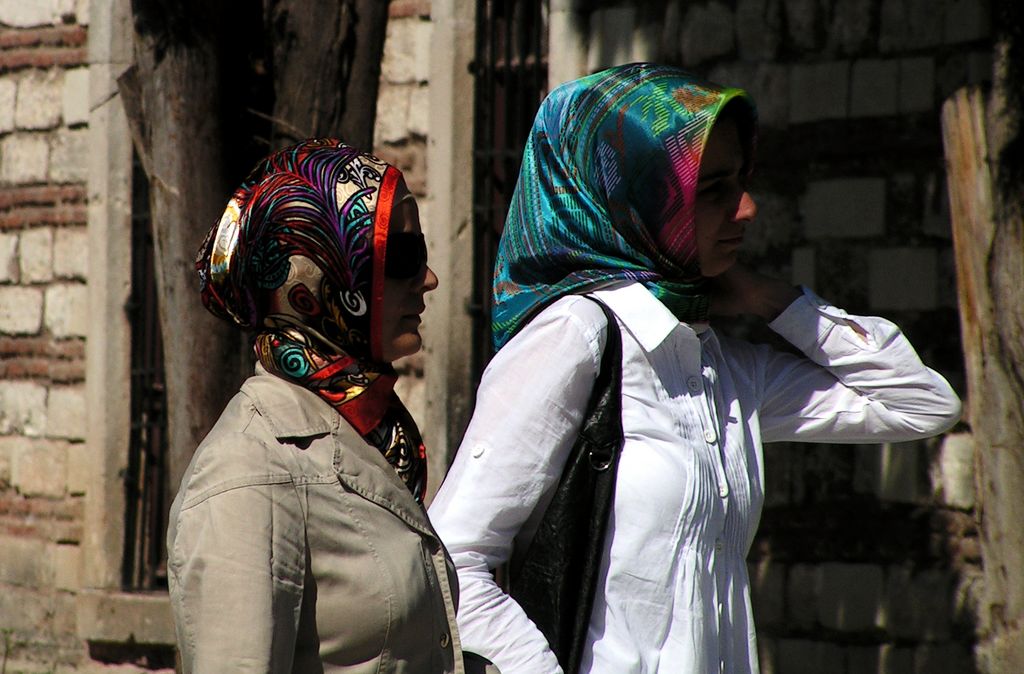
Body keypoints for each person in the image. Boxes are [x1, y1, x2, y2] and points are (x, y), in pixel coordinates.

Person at [427, 63, 962, 674]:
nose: (747, 209)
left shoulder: (719, 366)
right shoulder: (577, 336)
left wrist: (773, 300)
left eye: (741, 181)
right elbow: (452, 557)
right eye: (712, 191)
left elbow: (920, 404)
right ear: (633, 198)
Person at [168, 138, 463, 673]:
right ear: (319, 275)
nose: (429, 279)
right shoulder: (249, 472)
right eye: (401, 257)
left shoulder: (364, 430)